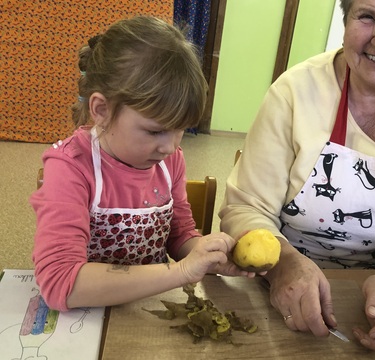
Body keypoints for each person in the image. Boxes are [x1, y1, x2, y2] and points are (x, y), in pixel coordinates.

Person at [219, 0, 375, 351]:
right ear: (345, 18)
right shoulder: (294, 92)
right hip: (279, 283)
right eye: (367, 16)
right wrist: (285, 265)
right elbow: (245, 209)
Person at [30, 16, 260, 312]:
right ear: (101, 110)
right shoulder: (71, 167)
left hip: (149, 310)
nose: (171, 146)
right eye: (154, 131)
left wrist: (205, 255)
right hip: (88, 318)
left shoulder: (169, 159)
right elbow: (61, 283)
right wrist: (180, 272)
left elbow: (178, 233)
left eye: (180, 129)